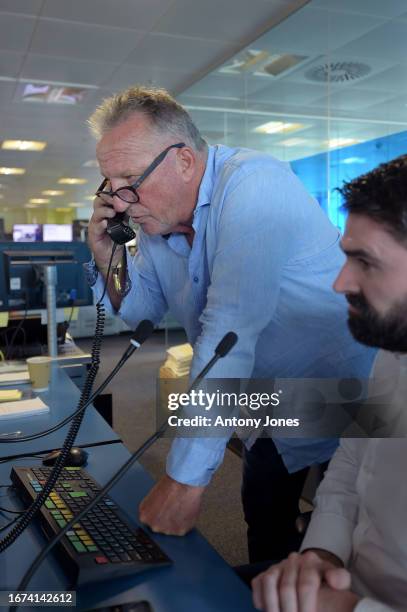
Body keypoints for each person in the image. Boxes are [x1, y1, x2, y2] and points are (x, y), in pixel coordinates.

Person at [85, 86, 374, 561]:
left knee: (349, 537)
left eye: (130, 179)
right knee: (265, 522)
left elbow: (229, 331)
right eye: (108, 183)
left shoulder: (255, 184)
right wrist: (107, 257)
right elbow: (137, 314)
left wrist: (182, 481)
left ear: (182, 161)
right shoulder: (157, 223)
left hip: (338, 391)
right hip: (267, 400)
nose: (119, 201)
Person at [251, 155, 407, 611]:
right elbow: (352, 465)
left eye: (365, 261)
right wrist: (321, 552)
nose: (340, 283)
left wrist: (350, 609)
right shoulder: (391, 351)